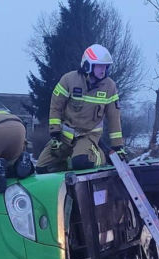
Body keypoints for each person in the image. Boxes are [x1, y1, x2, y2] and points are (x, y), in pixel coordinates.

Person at [35, 44, 125, 173]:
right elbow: (56, 106)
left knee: (81, 162)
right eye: (100, 66)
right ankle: (66, 166)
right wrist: (55, 133)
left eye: (105, 66)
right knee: (41, 168)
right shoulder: (68, 80)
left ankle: (102, 156)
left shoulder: (110, 86)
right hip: (64, 137)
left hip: (88, 136)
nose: (103, 70)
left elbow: (114, 118)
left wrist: (118, 147)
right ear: (88, 65)